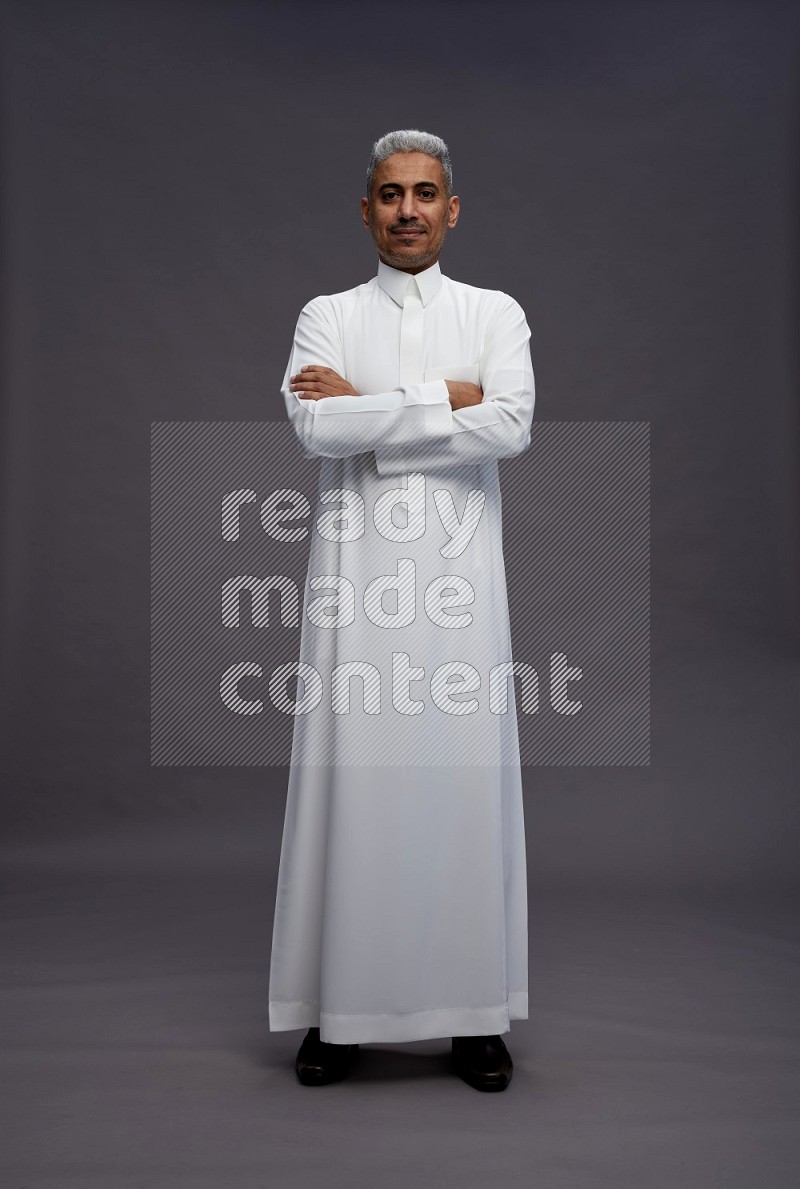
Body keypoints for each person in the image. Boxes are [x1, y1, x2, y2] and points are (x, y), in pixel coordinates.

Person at [268, 129, 535, 1091]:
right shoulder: (326, 313)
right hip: (357, 589)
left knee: (461, 791)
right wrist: (444, 401)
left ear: (452, 209)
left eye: (426, 193)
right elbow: (311, 422)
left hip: (462, 597)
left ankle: (473, 1018)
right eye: (391, 195)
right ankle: (337, 1016)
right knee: (356, 789)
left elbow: (509, 423)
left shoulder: (494, 311)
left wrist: (377, 405)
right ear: (368, 209)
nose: (409, 210)